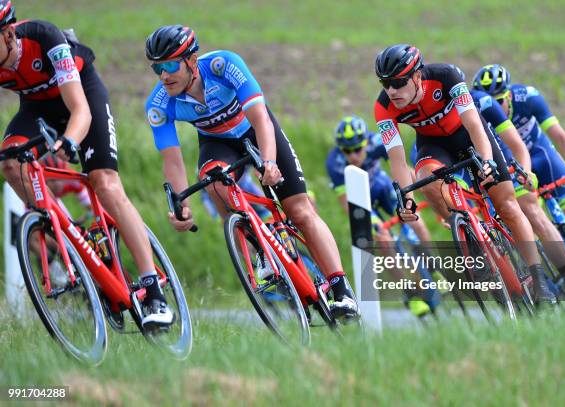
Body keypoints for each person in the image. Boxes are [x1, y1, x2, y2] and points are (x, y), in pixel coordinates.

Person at [143, 25, 359, 320]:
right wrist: (182, 205)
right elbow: (173, 161)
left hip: (257, 131)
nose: (164, 75)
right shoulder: (159, 104)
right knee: (213, 182)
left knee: (299, 210)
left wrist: (269, 163)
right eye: (157, 68)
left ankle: (341, 290)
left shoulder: (224, 66)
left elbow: (260, 119)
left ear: (192, 61)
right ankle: (259, 248)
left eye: (169, 65)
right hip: (217, 142)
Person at [0, 1, 172, 328]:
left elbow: (80, 110)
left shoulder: (44, 37)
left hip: (82, 97)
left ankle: (152, 289)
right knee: (10, 164)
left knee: (104, 183)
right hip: (37, 108)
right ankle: (71, 237)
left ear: (8, 33)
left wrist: (69, 141)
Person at [372, 44, 555, 305]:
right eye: (385, 83)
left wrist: (487, 162)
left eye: (398, 82)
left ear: (417, 76)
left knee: (507, 206)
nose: (391, 91)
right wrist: (405, 198)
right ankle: (464, 228)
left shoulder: (446, 77)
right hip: (433, 145)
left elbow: (473, 123)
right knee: (426, 178)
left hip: (469, 136)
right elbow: (398, 160)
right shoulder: (383, 107)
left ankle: (539, 279)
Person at [472, 64, 565, 285]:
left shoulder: (528, 97)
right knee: (532, 214)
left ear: (509, 94)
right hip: (515, 165)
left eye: (500, 100)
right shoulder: (481, 113)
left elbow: (562, 137)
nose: (496, 107)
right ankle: (559, 274)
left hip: (542, 157)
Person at [326, 115, 443, 316]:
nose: (353, 155)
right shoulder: (334, 162)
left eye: (357, 149)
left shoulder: (376, 142)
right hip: (361, 200)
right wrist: (370, 222)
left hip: (380, 187)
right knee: (383, 241)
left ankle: (433, 267)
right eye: (347, 151)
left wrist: (420, 191)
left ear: (365, 142)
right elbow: (346, 202)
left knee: (418, 223)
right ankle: (410, 293)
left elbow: (402, 169)